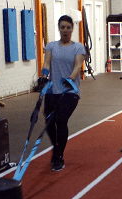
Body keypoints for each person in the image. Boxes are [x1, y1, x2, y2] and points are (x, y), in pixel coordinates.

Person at [40, 15, 85, 171]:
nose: (65, 30)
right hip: (53, 90)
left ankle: (58, 156)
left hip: (70, 90)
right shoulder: (51, 46)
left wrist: (70, 78)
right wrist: (44, 75)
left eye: (68, 27)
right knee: (49, 122)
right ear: (59, 28)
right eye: (62, 27)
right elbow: (46, 63)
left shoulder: (78, 47)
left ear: (72, 29)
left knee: (61, 120)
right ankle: (56, 149)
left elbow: (78, 66)